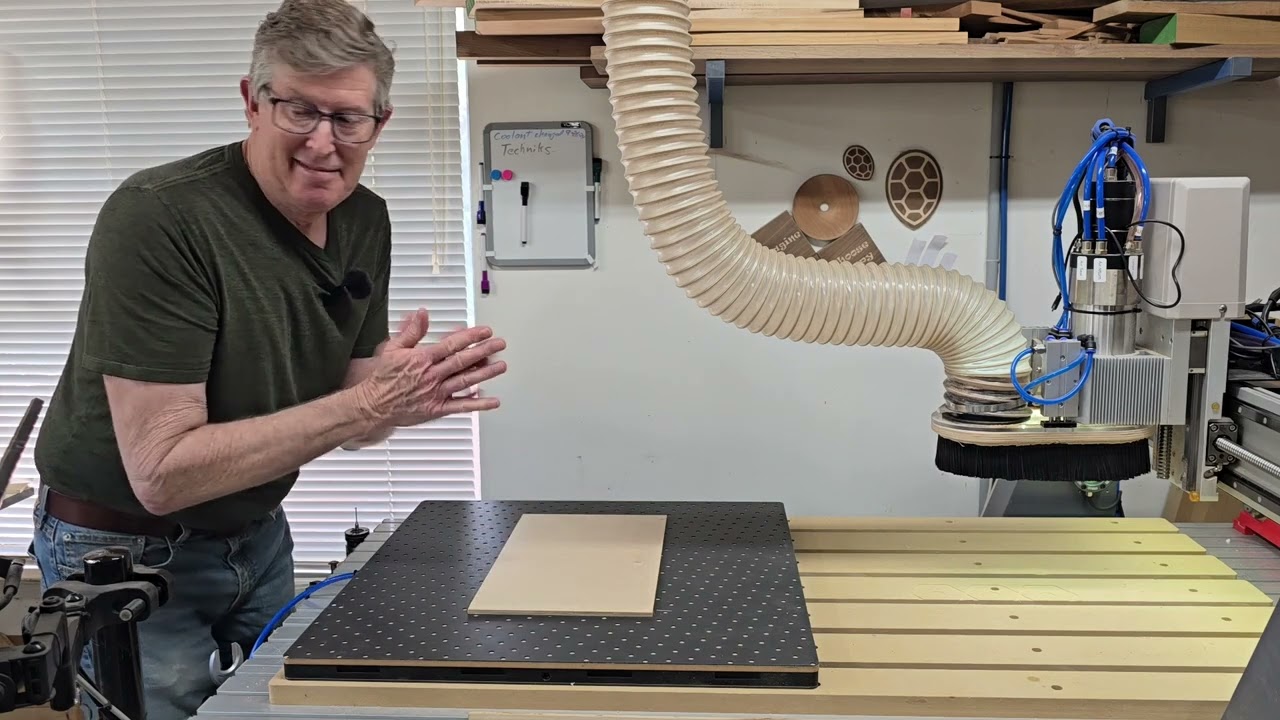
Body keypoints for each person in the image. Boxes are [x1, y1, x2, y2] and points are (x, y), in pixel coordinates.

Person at [28, 1, 507, 718]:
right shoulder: (161, 218)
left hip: (254, 533)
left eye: (348, 118)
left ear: (380, 122)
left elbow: (353, 415)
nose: (323, 143)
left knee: (297, 706)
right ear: (252, 102)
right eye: (298, 111)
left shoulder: (362, 217)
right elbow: (162, 473)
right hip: (127, 547)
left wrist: (404, 392)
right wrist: (366, 404)